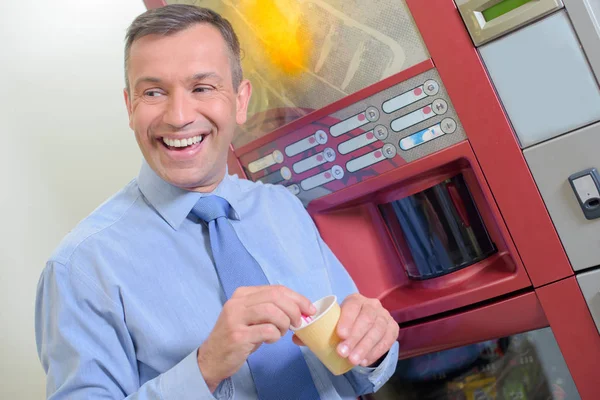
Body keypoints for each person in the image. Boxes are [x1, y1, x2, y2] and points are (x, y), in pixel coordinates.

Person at [35, 4, 399, 399]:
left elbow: (355, 368)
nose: (178, 116)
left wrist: (372, 345)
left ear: (240, 101)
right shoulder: (80, 268)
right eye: (154, 92)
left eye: (202, 88)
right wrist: (205, 368)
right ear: (130, 107)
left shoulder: (282, 208)